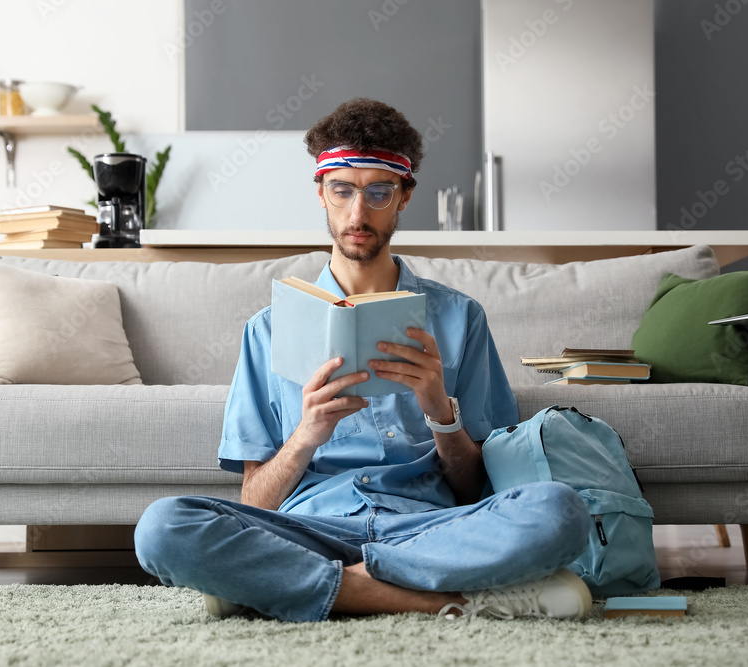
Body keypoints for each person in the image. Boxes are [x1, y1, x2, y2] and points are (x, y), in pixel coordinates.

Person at [135, 98, 591, 623]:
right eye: (342, 191)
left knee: (560, 510)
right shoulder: (267, 330)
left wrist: (441, 411)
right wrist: (306, 435)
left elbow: (476, 487)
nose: (358, 214)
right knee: (163, 526)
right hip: (310, 529)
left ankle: (280, 586)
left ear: (404, 196)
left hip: (429, 528)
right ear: (321, 194)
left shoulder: (461, 318)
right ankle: (426, 598)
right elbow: (256, 501)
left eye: (379, 192)